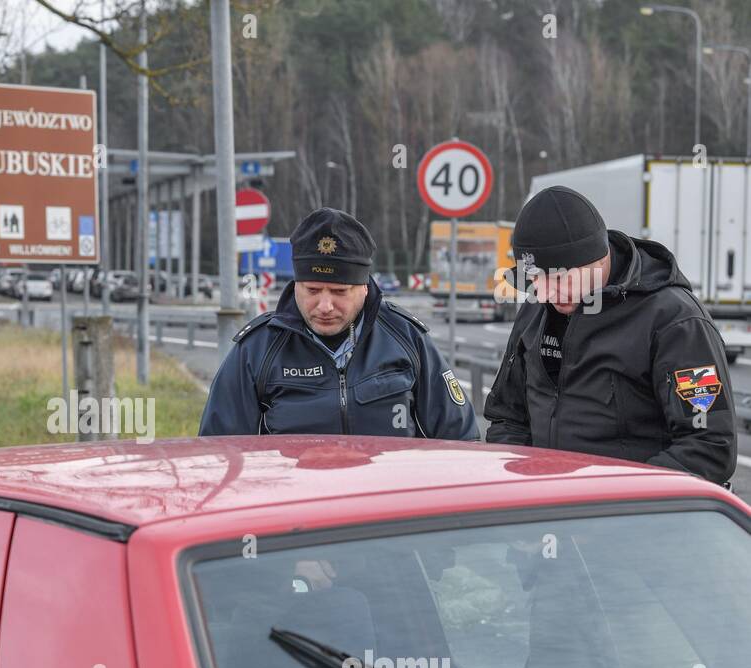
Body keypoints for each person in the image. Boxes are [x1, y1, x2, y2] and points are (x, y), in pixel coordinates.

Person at [484, 186, 737, 485]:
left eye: (559, 278)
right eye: (535, 279)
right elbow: (507, 416)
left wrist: (618, 498)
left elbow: (708, 444)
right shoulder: (536, 308)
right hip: (546, 509)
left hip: (629, 518)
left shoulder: (675, 321)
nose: (546, 293)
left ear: (598, 260)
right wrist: (520, 481)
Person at [199, 207, 478, 440]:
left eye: (339, 292)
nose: (324, 306)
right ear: (296, 285)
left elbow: (460, 441)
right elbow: (221, 455)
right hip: (297, 503)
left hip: (390, 504)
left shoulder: (407, 338)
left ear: (365, 287)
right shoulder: (257, 349)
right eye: (312, 290)